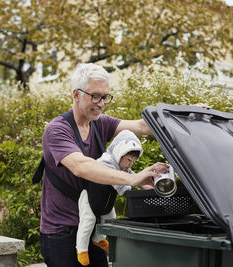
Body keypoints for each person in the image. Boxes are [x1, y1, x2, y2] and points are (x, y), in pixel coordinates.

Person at [40, 63, 169, 267]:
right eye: (95, 96)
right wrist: (132, 179)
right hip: (61, 232)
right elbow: (82, 166)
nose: (101, 103)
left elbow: (142, 126)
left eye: (105, 97)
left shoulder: (100, 123)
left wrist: (184, 114)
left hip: (95, 230)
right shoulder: (57, 130)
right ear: (76, 94)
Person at [76, 129, 144, 266]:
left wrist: (144, 183)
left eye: (133, 161)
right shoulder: (106, 161)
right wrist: (128, 187)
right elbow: (119, 182)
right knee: (88, 221)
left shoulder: (123, 167)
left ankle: (98, 239)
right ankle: (81, 249)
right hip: (90, 198)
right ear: (120, 152)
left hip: (105, 202)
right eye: (129, 160)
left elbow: (133, 176)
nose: (130, 164)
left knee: (110, 218)